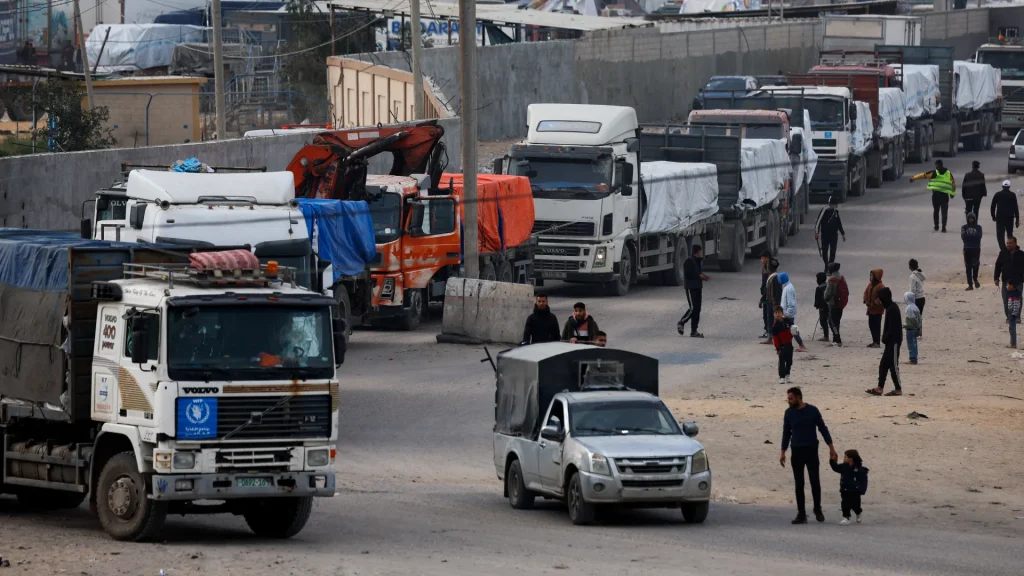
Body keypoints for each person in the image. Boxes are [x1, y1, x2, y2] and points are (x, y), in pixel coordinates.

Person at [780, 386, 837, 524]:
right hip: (796, 451)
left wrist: (831, 448)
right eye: (788, 399)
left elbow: (823, 429)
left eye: (791, 398)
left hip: (811, 450)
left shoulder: (813, 411)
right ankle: (801, 514)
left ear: (798, 397)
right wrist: (783, 452)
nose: (789, 401)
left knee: (815, 481)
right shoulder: (788, 413)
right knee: (799, 483)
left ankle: (817, 508)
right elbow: (786, 433)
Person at [867, 288, 903, 396]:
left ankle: (898, 389)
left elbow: (893, 328)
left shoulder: (893, 309)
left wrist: (885, 338)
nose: (878, 300)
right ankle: (880, 387)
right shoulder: (889, 307)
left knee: (893, 366)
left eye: (879, 298)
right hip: (889, 343)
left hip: (894, 342)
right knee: (883, 365)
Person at [910, 159, 956, 232]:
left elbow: (923, 175)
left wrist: (913, 178)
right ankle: (943, 227)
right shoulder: (948, 173)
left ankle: (936, 226)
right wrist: (952, 194)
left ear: (938, 165)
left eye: (936, 165)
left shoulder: (934, 173)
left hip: (936, 195)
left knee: (936, 210)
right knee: (944, 212)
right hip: (944, 195)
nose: (936, 166)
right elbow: (953, 183)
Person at [829, 449, 869, 526]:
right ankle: (846, 518)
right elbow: (835, 468)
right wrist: (832, 460)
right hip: (845, 490)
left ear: (851, 459)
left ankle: (858, 512)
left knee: (856, 506)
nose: (844, 458)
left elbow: (864, 481)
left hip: (855, 491)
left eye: (845, 457)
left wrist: (861, 490)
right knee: (845, 504)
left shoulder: (859, 469)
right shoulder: (844, 467)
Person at [678, 244, 709, 338]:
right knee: (693, 308)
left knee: (697, 309)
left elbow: (697, 273)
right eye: (701, 251)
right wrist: (700, 276)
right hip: (691, 287)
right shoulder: (689, 261)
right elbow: (689, 274)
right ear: (698, 251)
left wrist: (703, 276)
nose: (701, 253)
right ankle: (681, 322)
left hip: (698, 287)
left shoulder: (698, 261)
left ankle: (694, 331)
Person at [994, 236, 1024, 321]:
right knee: (1006, 300)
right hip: (1006, 281)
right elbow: (998, 266)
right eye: (1007, 243)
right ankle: (1009, 317)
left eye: (1010, 243)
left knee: (1017, 300)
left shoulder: (1021, 254)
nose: (1008, 245)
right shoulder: (1003, 253)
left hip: (1018, 281)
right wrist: (996, 278)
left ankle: (1017, 317)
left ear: (1015, 243)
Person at [814, 197, 846, 271]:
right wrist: (816, 232)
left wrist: (843, 233)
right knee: (824, 251)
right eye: (836, 204)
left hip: (834, 235)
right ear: (833, 204)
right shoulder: (824, 210)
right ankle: (826, 265)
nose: (837, 205)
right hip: (825, 235)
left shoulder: (836, 212)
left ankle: (830, 267)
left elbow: (839, 223)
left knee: (833, 251)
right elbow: (818, 222)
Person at [779, 272, 807, 352]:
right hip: (787, 313)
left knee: (792, 330)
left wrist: (787, 314)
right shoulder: (787, 287)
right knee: (789, 330)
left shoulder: (788, 288)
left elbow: (791, 303)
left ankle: (801, 345)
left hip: (788, 314)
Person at [823, 262, 848, 347]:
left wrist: (825, 299)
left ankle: (837, 339)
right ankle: (835, 339)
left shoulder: (832, 280)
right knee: (837, 321)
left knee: (832, 322)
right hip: (840, 304)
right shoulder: (842, 278)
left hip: (833, 303)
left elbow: (827, 293)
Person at [990, 180, 1019, 252]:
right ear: (1009, 187)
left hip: (1000, 217)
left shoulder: (997, 194)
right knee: (1009, 234)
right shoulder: (1012, 195)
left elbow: (992, 206)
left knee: (1000, 235)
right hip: (1009, 217)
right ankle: (1011, 248)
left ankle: (1003, 250)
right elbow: (1016, 207)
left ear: (1002, 186)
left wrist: (993, 216)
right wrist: (1017, 220)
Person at [761, 259, 782, 345]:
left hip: (773, 303)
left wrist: (776, 304)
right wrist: (762, 299)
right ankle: (770, 337)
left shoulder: (776, 277)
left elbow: (778, 292)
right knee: (769, 320)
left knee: (774, 321)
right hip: (769, 302)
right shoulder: (771, 276)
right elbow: (767, 290)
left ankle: (775, 338)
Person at [863, 269, 885, 348]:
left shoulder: (881, 286)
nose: (871, 277)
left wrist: (874, 303)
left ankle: (877, 342)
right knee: (871, 325)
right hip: (870, 309)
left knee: (876, 326)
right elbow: (866, 293)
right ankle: (874, 341)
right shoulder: (870, 284)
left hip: (877, 310)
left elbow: (881, 298)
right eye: (870, 275)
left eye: (872, 275)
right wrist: (866, 300)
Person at [772, 306, 794, 383]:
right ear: (774, 314)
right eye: (775, 313)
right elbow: (775, 339)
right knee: (782, 362)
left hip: (789, 344)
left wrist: (795, 331)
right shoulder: (775, 326)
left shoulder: (787, 321)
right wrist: (778, 348)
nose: (777, 314)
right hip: (782, 346)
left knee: (789, 361)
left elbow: (793, 328)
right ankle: (781, 376)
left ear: (782, 313)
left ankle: (787, 374)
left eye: (779, 312)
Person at [962, 211, 983, 290]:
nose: (971, 220)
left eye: (972, 218)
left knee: (976, 264)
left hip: (976, 248)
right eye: (969, 218)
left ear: (975, 219)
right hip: (967, 248)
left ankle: (975, 279)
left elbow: (979, 236)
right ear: (967, 219)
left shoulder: (978, 227)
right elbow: (963, 236)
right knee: (968, 266)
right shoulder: (964, 227)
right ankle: (970, 284)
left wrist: (969, 236)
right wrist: (973, 236)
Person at [908, 259, 926, 338]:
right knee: (919, 316)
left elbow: (913, 290)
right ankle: (919, 332)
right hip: (922, 297)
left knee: (915, 316)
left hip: (916, 298)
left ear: (910, 267)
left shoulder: (912, 276)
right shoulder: (921, 274)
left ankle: (917, 333)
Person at [904, 292, 921, 365]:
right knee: (914, 343)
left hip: (911, 328)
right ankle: (914, 357)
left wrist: (906, 325)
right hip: (915, 328)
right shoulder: (915, 307)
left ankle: (913, 359)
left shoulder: (909, 307)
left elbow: (911, 319)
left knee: (911, 344)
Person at [759, 250, 773, 339]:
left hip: (768, 295)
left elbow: (768, 285)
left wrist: (762, 297)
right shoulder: (765, 267)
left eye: (762, 258)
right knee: (765, 314)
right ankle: (767, 331)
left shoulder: (770, 268)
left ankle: (770, 333)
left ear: (767, 258)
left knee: (768, 314)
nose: (761, 260)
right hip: (765, 294)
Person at [814, 272, 830, 342]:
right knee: (828, 320)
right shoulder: (828, 286)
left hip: (822, 307)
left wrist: (817, 306)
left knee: (822, 321)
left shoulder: (819, 288)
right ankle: (828, 335)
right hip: (829, 306)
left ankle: (826, 336)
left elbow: (817, 299)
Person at [1008, 284, 1021, 349]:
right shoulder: (1011, 293)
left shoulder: (1015, 294)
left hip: (1013, 314)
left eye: (1008, 285)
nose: (1006, 287)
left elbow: (1016, 305)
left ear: (1012, 286)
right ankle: (1012, 343)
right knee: (1010, 328)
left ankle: (1013, 344)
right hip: (1011, 312)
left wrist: (1013, 314)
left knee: (1012, 328)